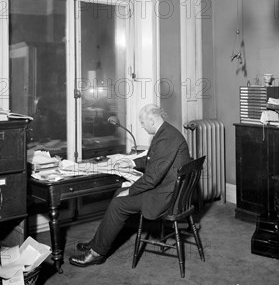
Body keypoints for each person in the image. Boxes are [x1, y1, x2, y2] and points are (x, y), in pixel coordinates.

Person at [69, 104, 191, 267]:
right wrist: (131, 163)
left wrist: (131, 191)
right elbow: (151, 159)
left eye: (142, 121)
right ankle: (97, 242)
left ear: (151, 120)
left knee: (119, 202)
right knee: (119, 192)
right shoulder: (165, 132)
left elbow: (152, 178)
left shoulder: (166, 137)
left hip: (168, 198)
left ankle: (97, 253)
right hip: (169, 189)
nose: (141, 125)